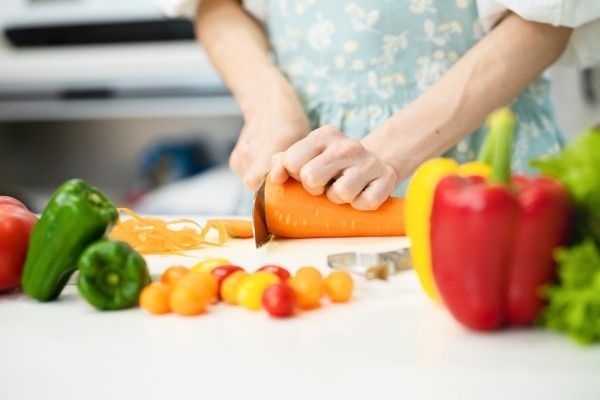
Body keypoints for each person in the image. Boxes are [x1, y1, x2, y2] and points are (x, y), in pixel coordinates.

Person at [159, 0, 600, 211]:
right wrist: (269, 106)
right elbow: (214, 5)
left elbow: (548, 17)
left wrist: (388, 152)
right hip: (298, 173)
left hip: (478, 172)